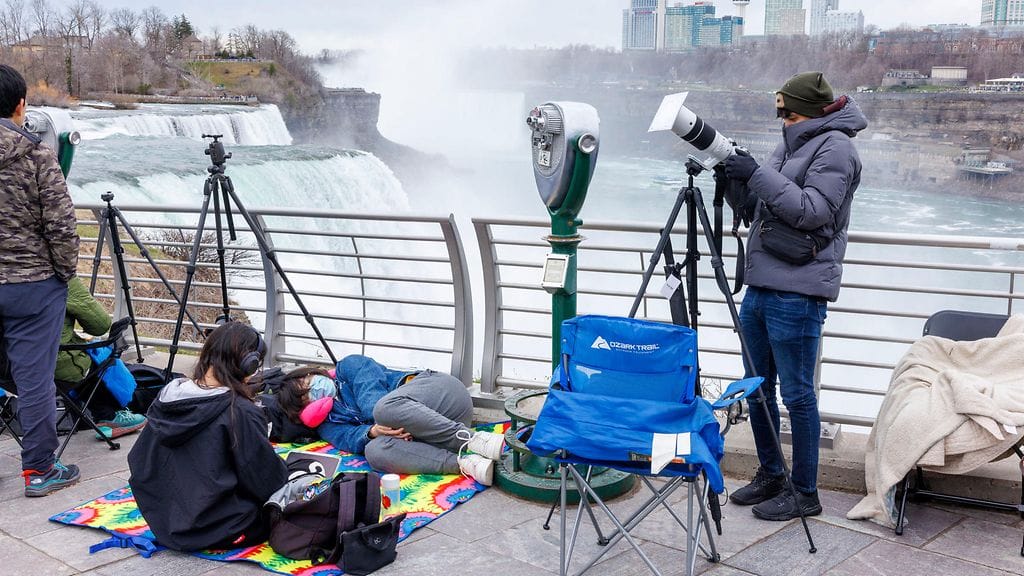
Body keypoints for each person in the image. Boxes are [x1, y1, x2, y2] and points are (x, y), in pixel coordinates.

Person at [722, 71, 867, 521]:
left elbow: (812, 211)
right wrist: (738, 184)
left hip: (798, 292)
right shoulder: (790, 142)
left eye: (789, 112)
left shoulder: (836, 147)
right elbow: (766, 207)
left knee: (798, 396)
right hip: (762, 284)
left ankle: (805, 492)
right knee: (757, 390)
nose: (782, 120)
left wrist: (759, 175)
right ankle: (771, 475)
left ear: (808, 110)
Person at [127, 322, 288, 551]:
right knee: (288, 500)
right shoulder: (239, 412)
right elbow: (266, 481)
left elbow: (139, 461)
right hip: (221, 529)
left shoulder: (168, 397)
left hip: (164, 525)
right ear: (248, 364)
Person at [0, 64, 82, 497]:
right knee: (33, 378)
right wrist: (63, 274)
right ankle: (39, 470)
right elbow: (63, 228)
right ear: (20, 106)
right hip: (33, 285)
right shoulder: (36, 156)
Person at [276, 355, 505, 485]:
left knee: (383, 408)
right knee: (374, 452)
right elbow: (348, 439)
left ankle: (473, 440)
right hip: (424, 435)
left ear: (309, 373)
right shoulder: (327, 424)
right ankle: (465, 464)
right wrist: (373, 433)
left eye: (307, 384)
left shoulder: (349, 366)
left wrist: (381, 424)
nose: (312, 391)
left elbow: (373, 398)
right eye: (305, 397)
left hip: (443, 396)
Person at [55, 276, 147, 440]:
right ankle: (108, 416)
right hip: (53, 368)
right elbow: (100, 325)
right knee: (93, 361)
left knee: (73, 360)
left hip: (9, 374)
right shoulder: (58, 276)